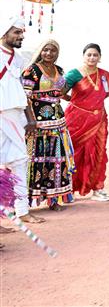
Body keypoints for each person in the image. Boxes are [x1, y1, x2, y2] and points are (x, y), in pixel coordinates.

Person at [22, 40, 75, 210]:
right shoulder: (32, 70)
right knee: (36, 160)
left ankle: (54, 199)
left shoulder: (59, 70)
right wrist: (31, 121)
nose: (49, 53)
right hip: (38, 124)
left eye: (53, 50)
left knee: (57, 160)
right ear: (40, 51)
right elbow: (25, 97)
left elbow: (62, 92)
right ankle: (25, 203)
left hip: (58, 122)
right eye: (45, 50)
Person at [0, 17, 42, 225]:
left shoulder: (18, 58)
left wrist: (30, 118)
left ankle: (22, 210)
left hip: (15, 114)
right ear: (4, 33)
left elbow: (21, 89)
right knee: (16, 160)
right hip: (3, 113)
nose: (21, 36)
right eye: (16, 32)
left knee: (18, 161)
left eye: (22, 32)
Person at [62, 43, 109, 201]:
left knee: (97, 153)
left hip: (98, 120)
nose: (92, 58)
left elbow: (107, 93)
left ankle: (98, 188)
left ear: (100, 57)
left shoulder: (104, 75)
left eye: (95, 55)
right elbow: (60, 92)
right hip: (76, 120)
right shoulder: (74, 74)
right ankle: (66, 190)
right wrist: (75, 102)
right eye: (89, 55)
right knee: (72, 153)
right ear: (83, 56)